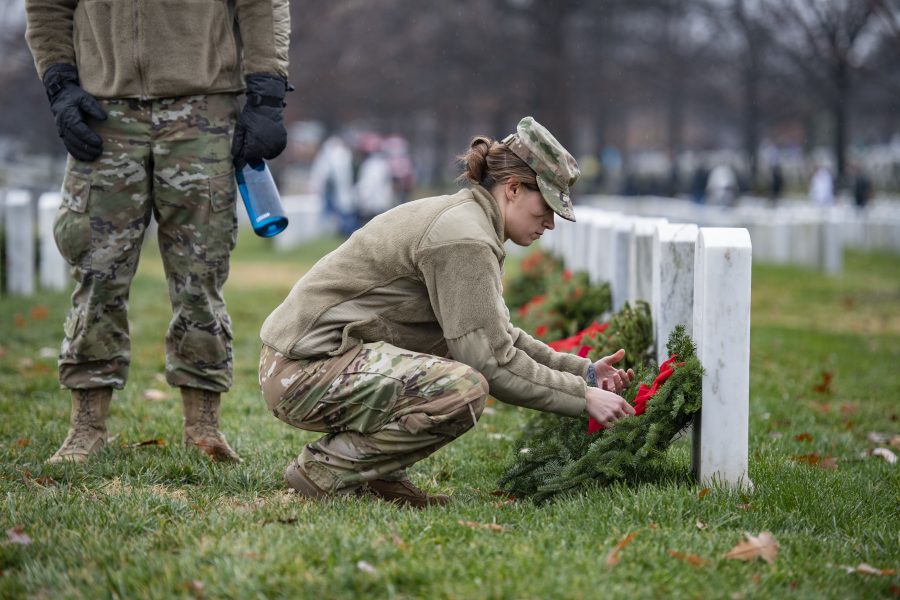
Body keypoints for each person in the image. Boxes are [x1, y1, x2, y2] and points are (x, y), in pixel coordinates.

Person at [258, 117, 636, 508]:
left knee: (455, 356)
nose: (551, 223)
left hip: (313, 362)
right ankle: (323, 470)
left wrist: (584, 372)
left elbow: (496, 335)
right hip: (303, 371)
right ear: (513, 188)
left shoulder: (470, 221)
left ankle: (377, 475)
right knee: (462, 389)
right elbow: (493, 362)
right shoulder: (465, 238)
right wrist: (583, 398)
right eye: (547, 206)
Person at [25, 0, 291, 463]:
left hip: (203, 109)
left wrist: (266, 92)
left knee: (200, 275)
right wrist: (60, 83)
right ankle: (85, 428)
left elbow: (262, 3)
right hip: (102, 111)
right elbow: (47, 5)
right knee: (96, 271)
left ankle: (204, 427)